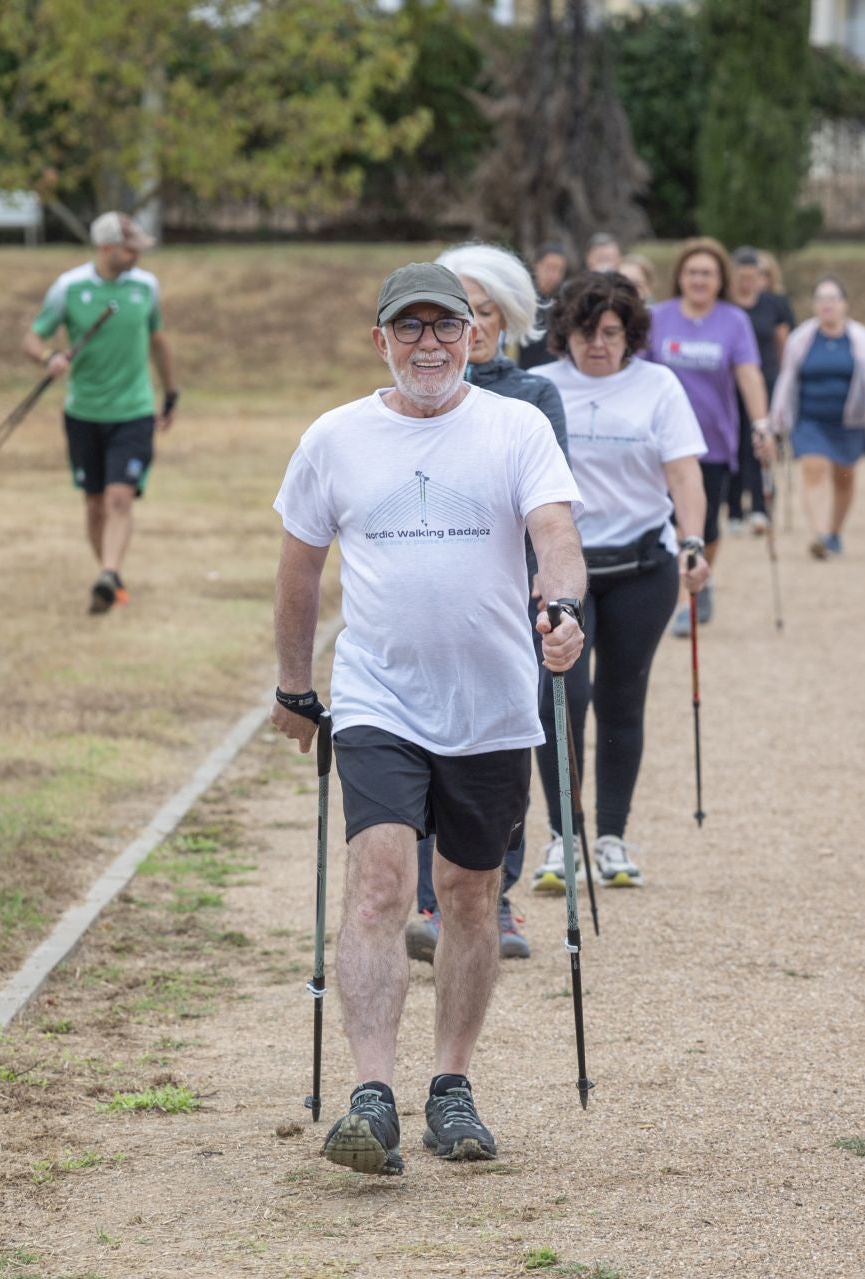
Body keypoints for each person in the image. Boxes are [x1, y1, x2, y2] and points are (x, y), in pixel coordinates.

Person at [271, 262, 587, 1175]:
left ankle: (451, 1084)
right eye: (408, 328)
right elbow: (298, 568)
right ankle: (371, 1095)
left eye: (445, 326)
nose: (429, 344)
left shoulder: (515, 427)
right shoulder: (335, 437)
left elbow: (557, 536)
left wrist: (563, 608)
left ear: (474, 335)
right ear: (380, 340)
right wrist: (295, 686)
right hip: (380, 697)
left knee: (469, 895)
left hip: (492, 704)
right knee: (379, 885)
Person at [405, 243, 571, 964]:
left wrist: (551, 584)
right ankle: (430, 900)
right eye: (453, 312)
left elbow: (552, 506)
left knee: (502, 747)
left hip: (511, 598)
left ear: (506, 319)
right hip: (432, 596)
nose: (465, 326)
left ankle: (494, 895)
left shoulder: (532, 398)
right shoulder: (416, 393)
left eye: (481, 312)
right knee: (421, 744)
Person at [525, 272, 710, 890]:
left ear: (630, 335)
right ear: (564, 334)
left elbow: (683, 474)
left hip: (641, 567)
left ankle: (611, 836)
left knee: (621, 697)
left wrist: (692, 541)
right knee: (561, 697)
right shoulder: (539, 388)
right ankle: (563, 837)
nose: (598, 345)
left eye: (611, 332)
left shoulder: (658, 385)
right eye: (585, 333)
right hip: (562, 571)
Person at [22, 211, 180, 614]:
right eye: (131, 249)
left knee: (119, 497)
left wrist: (170, 393)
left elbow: (158, 341)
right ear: (107, 248)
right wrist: (49, 358)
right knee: (94, 505)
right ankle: (112, 578)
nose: (138, 256)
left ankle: (108, 574)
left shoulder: (146, 287)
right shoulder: (69, 288)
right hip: (83, 412)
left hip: (134, 410)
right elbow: (33, 338)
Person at [647, 237, 769, 634]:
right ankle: (684, 601)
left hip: (712, 441)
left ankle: (702, 576)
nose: (699, 280)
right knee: (672, 522)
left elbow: (749, 375)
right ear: (679, 277)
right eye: (692, 272)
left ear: (721, 280)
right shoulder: (657, 318)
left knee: (706, 526)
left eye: (708, 273)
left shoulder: (734, 321)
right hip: (660, 442)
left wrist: (761, 424)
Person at [765, 276, 865, 560]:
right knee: (814, 466)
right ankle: (821, 535)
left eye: (833, 299)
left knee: (844, 477)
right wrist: (778, 419)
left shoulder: (859, 337)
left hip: (849, 421)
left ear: (844, 304)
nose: (827, 305)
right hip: (810, 419)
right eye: (821, 299)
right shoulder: (802, 338)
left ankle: (834, 533)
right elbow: (786, 379)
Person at [727, 247, 795, 535]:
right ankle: (733, 509)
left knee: (758, 443)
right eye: (741, 276)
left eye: (752, 276)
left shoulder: (773, 304)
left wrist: (785, 383)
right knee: (733, 444)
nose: (747, 282)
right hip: (729, 386)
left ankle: (759, 507)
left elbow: (785, 345)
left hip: (765, 383)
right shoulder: (726, 305)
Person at [518, 242, 569, 372]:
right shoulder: (522, 298)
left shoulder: (565, 301)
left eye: (559, 270)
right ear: (536, 266)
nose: (554, 275)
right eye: (549, 268)